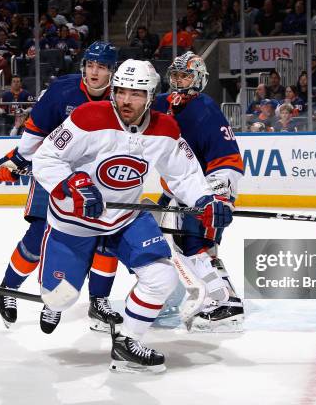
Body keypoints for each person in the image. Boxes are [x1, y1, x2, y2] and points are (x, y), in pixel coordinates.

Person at [32, 59, 233, 373]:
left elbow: (185, 175)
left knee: (162, 276)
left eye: (136, 93)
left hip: (127, 216)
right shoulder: (87, 117)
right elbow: (46, 157)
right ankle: (54, 303)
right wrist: (75, 183)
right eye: (121, 91)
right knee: (60, 297)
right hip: (75, 220)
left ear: (151, 95)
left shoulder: (165, 128)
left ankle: (127, 344)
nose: (126, 100)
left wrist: (207, 198)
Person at [0, 42, 121, 334]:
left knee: (89, 244)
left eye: (101, 67)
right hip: (54, 174)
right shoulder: (62, 90)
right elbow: (35, 132)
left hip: (95, 183)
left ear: (112, 71)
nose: (94, 72)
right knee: (38, 236)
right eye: (90, 65)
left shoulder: (122, 96)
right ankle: (9, 287)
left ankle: (55, 303)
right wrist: (17, 160)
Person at [152, 52, 244, 331]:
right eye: (176, 75)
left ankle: (226, 303)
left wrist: (218, 198)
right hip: (175, 191)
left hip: (205, 192)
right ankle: (172, 298)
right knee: (163, 247)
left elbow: (228, 160)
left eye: (186, 76)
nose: (179, 82)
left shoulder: (206, 110)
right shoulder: (163, 105)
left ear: (199, 79)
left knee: (198, 247)